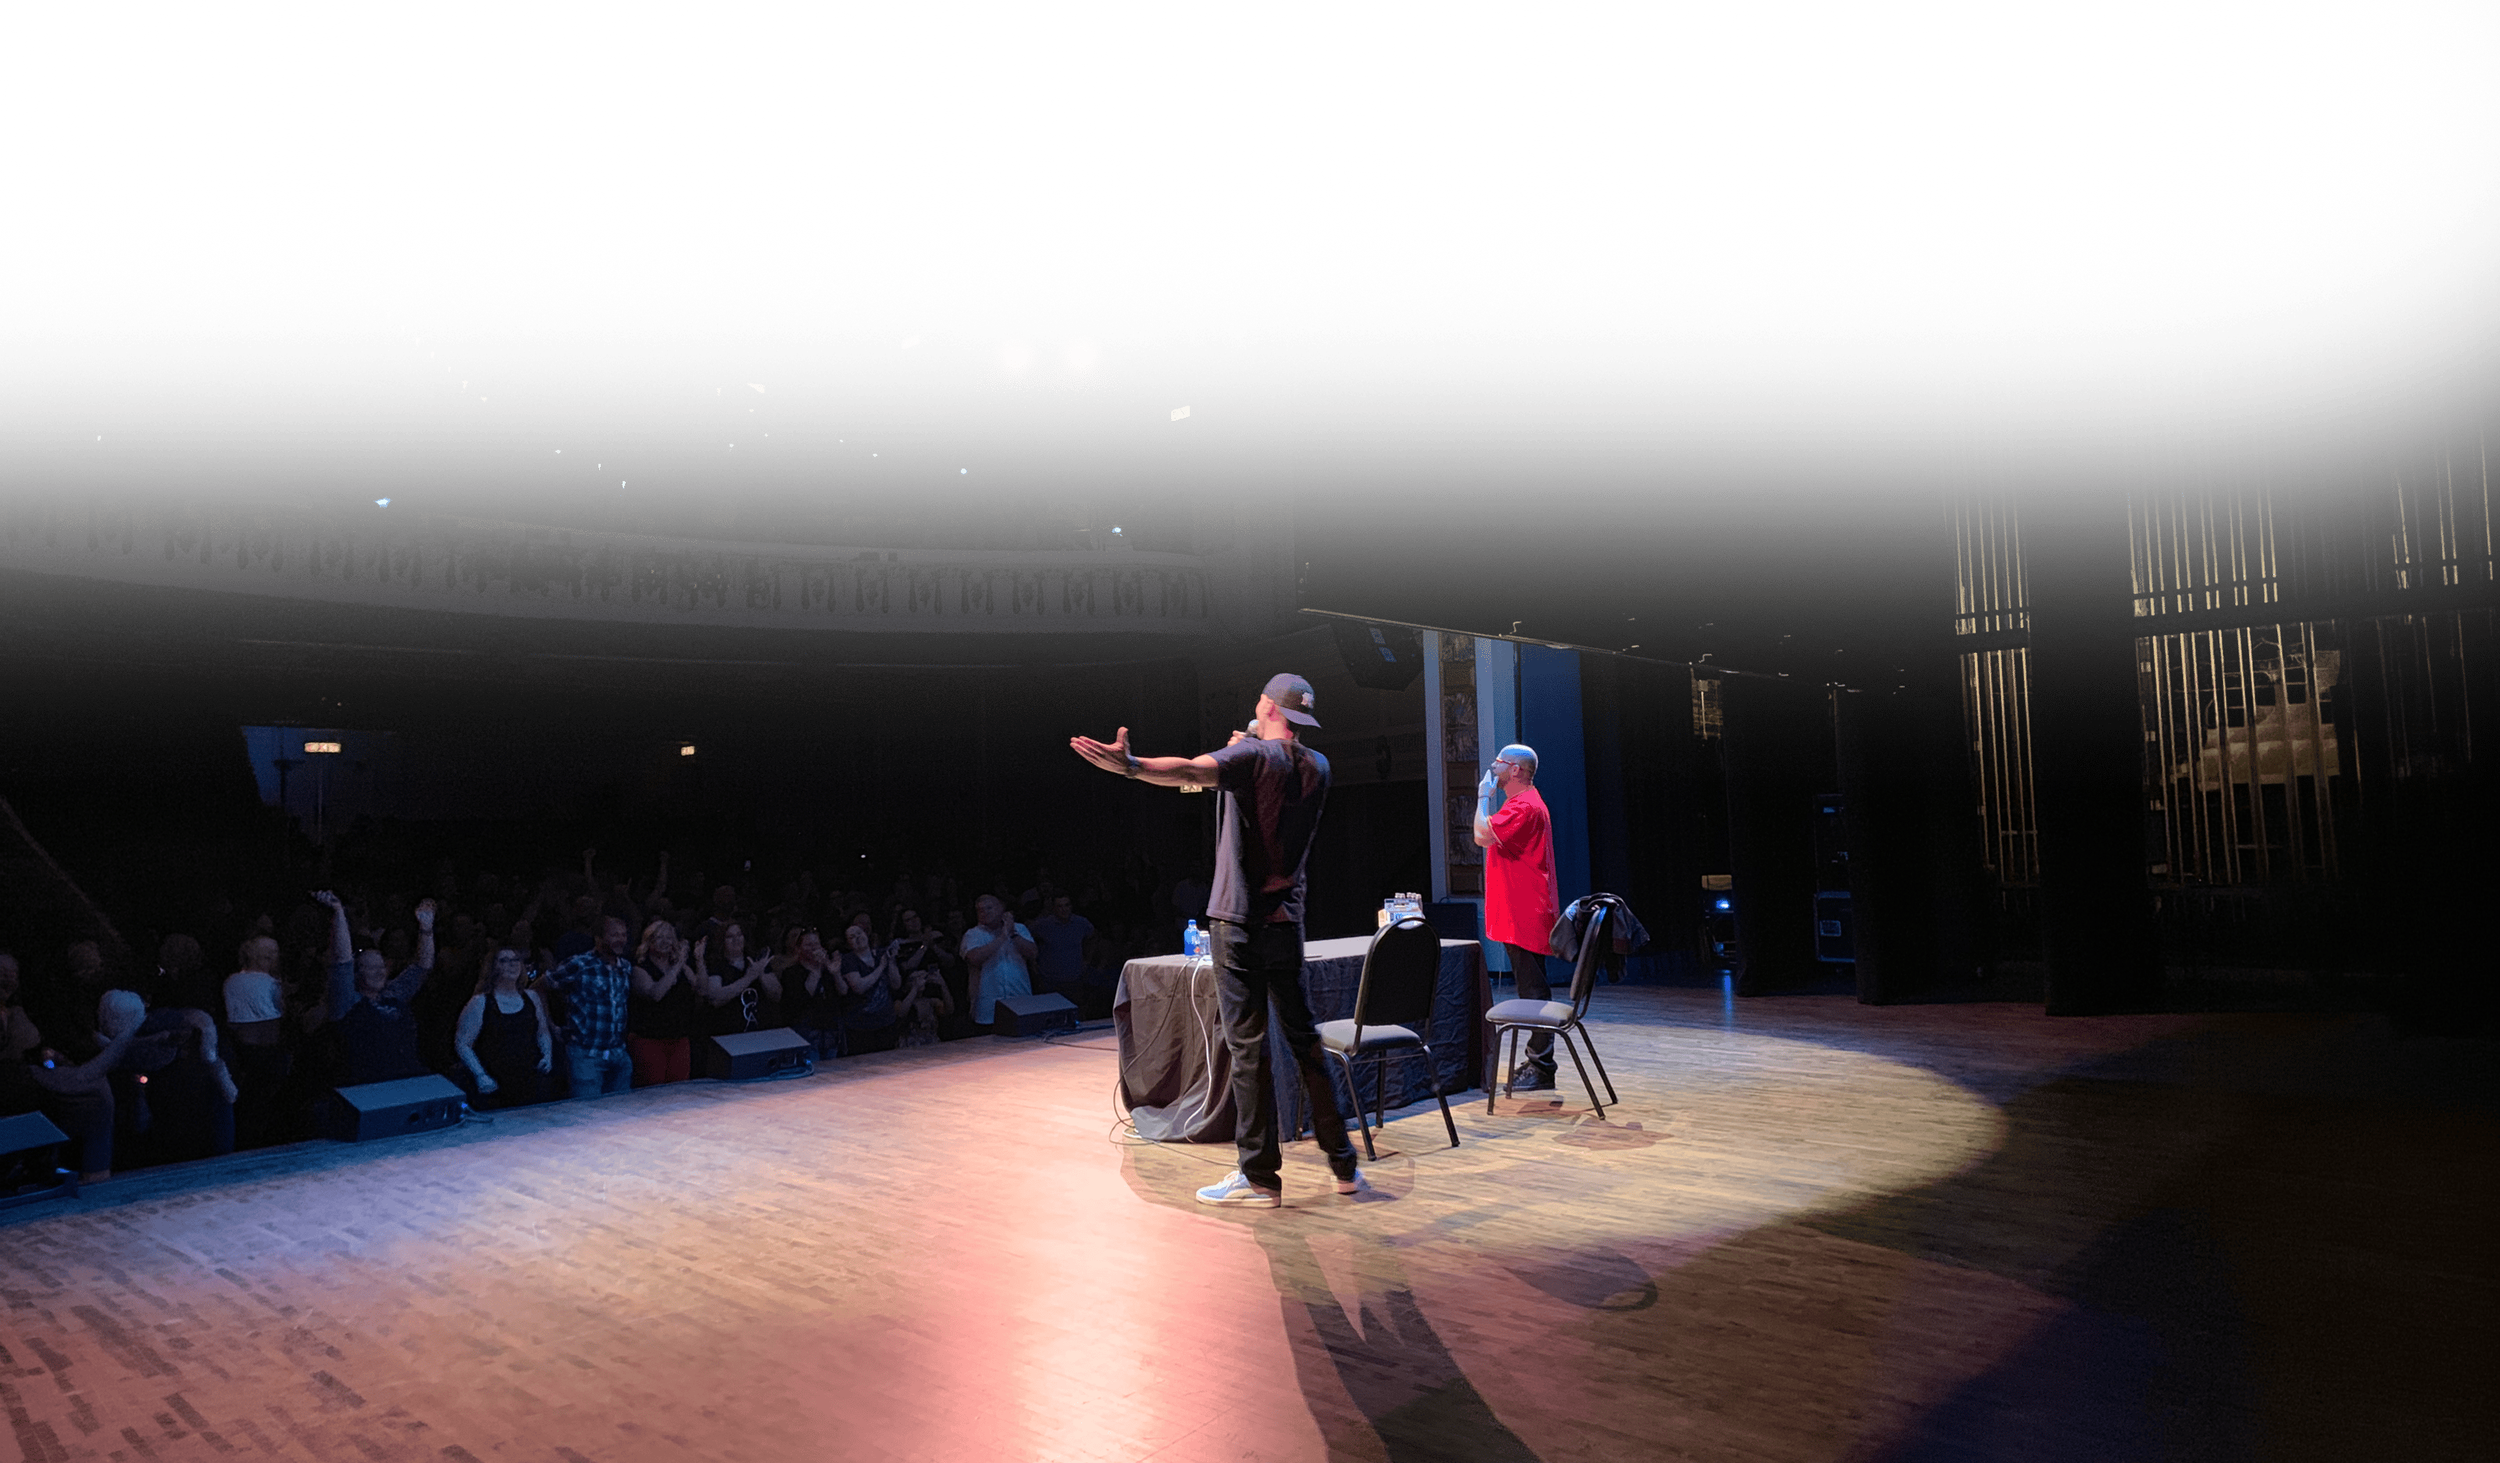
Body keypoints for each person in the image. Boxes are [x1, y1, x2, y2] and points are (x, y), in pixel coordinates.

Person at [1071, 671, 1362, 1207]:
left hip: (1241, 922)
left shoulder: (1249, 759)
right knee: (1305, 1042)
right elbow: (1243, 784)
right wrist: (1243, 752)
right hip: (1287, 923)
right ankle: (1343, 1164)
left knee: (1248, 1049)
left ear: (1269, 707)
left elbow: (1187, 768)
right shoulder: (1317, 765)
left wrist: (1133, 767)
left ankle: (1259, 1178)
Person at [1476, 743, 1564, 1089]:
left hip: (1525, 912)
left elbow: (1481, 834)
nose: (1493, 767)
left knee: (1533, 992)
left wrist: (1483, 797)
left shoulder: (1525, 807)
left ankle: (1541, 1066)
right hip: (1521, 910)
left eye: (1499, 762)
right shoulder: (1520, 804)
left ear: (1516, 770)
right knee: (1531, 989)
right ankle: (1538, 1062)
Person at [319, 891, 438, 1087]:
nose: (378, 971)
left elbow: (423, 965)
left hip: (407, 1079)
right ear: (357, 973)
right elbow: (342, 960)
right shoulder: (347, 1002)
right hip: (366, 1085)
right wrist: (339, 912)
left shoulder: (394, 993)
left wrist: (426, 929)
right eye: (371, 967)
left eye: (381, 966)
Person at [452, 946, 555, 1109]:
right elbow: (463, 1043)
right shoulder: (480, 1002)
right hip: (494, 1084)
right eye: (504, 961)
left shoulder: (532, 997)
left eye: (515, 960)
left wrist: (547, 1055)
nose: (512, 964)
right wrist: (480, 1075)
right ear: (493, 967)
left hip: (530, 1080)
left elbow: (542, 1032)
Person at [547, 916, 636, 1098]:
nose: (621, 939)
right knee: (588, 1117)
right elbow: (539, 987)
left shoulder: (625, 967)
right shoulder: (580, 964)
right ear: (599, 938)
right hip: (586, 1054)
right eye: (614, 935)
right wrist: (550, 1025)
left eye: (624, 935)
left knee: (622, 1118)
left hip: (618, 1052)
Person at [223, 928, 294, 1148]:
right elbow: (283, 1012)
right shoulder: (271, 984)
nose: (275, 958)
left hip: (241, 1050)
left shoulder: (231, 981)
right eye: (270, 954)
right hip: (267, 1050)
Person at [626, 919, 698, 1087]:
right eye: (659, 937)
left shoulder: (680, 966)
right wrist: (679, 963)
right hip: (650, 1041)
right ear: (649, 940)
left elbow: (701, 989)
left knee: (679, 1091)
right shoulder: (640, 969)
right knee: (654, 1092)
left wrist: (698, 960)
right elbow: (656, 994)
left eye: (669, 938)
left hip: (679, 1039)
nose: (665, 942)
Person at [959, 895, 1034, 1030]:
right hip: (988, 1006)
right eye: (980, 910)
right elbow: (974, 958)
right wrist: (1003, 936)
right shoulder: (973, 934)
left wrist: (1012, 933)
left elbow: (1033, 953)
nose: (985, 912)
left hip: (1020, 998)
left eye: (989, 908)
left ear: (1001, 909)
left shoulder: (1019, 928)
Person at [693, 922, 774, 1041]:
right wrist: (749, 978)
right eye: (730, 936)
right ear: (722, 941)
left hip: (760, 1035)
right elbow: (715, 998)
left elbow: (777, 994)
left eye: (739, 935)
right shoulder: (716, 966)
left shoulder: (756, 961)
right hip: (727, 1037)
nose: (736, 939)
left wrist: (761, 973)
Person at [778, 928, 843, 1059]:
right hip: (807, 1032)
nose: (814, 948)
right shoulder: (791, 972)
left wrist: (835, 972)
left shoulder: (828, 969)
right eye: (808, 945)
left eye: (816, 944)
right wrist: (816, 969)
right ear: (798, 948)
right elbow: (807, 995)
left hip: (830, 1030)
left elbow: (843, 991)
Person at [1030, 894, 1096, 1011]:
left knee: (1076, 1014)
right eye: (1059, 906)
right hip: (1049, 981)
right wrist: (1033, 962)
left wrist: (1087, 960)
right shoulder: (1043, 925)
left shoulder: (1081, 923)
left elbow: (1093, 938)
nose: (1064, 909)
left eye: (1066, 905)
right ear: (1054, 908)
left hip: (1074, 979)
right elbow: (1028, 938)